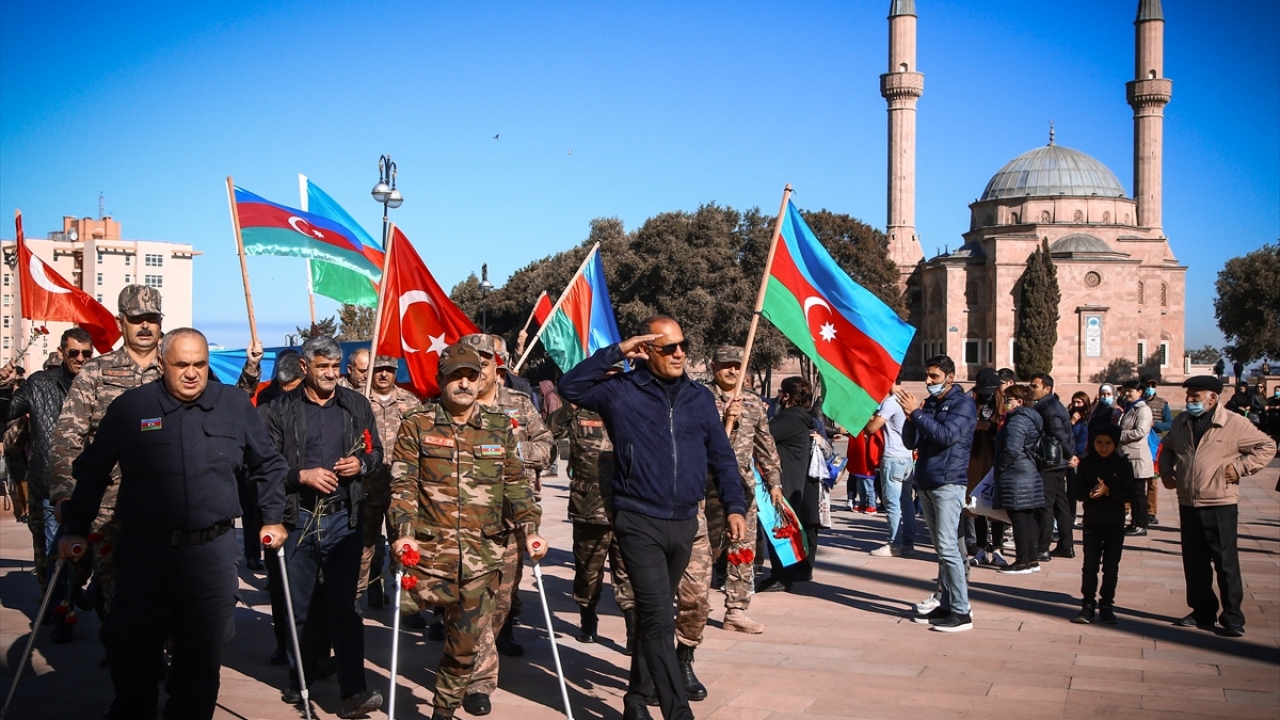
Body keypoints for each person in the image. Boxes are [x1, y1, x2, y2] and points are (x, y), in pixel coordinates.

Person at [57, 328, 289, 720]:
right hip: (146, 555)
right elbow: (93, 471)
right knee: (134, 660)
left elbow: (267, 463)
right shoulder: (131, 408)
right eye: (181, 364)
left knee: (200, 666)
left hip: (210, 557)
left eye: (199, 364)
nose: (191, 373)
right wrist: (75, 528)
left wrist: (272, 517)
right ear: (162, 364)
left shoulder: (233, 405)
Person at [557, 315, 747, 720]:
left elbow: (722, 458)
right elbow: (569, 386)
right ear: (646, 351)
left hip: (684, 522)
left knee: (652, 618)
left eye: (683, 345)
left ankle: (635, 698)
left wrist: (735, 506)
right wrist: (617, 351)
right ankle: (678, 711)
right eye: (668, 347)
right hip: (638, 520)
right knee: (660, 617)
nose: (679, 353)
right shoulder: (619, 392)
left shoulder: (699, 399)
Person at [388, 343, 547, 720]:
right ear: (441, 380)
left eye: (471, 376)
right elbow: (403, 486)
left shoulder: (499, 427)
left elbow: (516, 485)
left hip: (481, 558)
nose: (464, 383)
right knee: (406, 615)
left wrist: (531, 528)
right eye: (456, 376)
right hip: (427, 554)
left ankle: (443, 710)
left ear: (481, 380)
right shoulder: (418, 424)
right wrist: (403, 532)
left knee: (463, 645)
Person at [260, 335, 384, 716]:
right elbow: (265, 466)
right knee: (299, 607)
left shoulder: (355, 405)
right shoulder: (279, 410)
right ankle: (302, 680)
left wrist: (361, 465)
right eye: (322, 367)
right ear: (304, 367)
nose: (331, 374)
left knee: (346, 607)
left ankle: (354, 691)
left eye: (335, 367)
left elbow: (375, 451)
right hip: (297, 523)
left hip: (343, 522)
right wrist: (302, 475)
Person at [49, 285, 164, 625]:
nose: (145, 326)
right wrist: (64, 494)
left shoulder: (178, 370)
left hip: (168, 503)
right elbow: (68, 437)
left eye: (152, 319)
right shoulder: (96, 372)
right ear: (121, 322)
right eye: (136, 319)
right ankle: (127, 658)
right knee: (118, 592)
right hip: (109, 508)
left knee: (166, 590)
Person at [673, 346, 783, 698]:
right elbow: (697, 443)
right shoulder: (699, 399)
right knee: (704, 554)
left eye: (738, 366)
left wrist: (776, 482)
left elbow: (766, 444)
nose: (733, 371)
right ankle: (692, 602)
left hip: (742, 491)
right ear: (715, 367)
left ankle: (736, 607)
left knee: (743, 550)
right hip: (705, 490)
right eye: (726, 366)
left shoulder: (753, 403)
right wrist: (725, 419)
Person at [460, 333, 551, 707]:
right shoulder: (452, 404)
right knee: (470, 599)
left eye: (483, 362)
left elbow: (545, 448)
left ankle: (479, 657)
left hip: (513, 519)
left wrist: (512, 448)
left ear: (495, 365)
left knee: (500, 602)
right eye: (469, 362)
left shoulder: (519, 404)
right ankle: (478, 681)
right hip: (466, 520)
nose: (476, 370)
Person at [1159, 376, 1276, 637]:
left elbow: (1267, 446)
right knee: (1194, 562)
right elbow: (1166, 448)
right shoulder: (1181, 422)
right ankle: (1202, 612)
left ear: (1212, 398)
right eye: (1188, 395)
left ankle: (1232, 616)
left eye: (1195, 396)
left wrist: (1239, 468)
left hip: (1220, 502)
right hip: (1188, 502)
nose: (1189, 400)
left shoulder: (1233, 423)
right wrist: (1166, 470)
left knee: (1225, 562)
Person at [6, 328, 95, 642]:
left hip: (92, 485)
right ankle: (63, 613)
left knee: (93, 555)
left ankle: (80, 596)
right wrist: (4, 387)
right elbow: (7, 412)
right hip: (49, 484)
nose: (81, 360)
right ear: (62, 353)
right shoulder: (39, 384)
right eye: (74, 353)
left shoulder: (100, 382)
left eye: (87, 353)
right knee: (56, 554)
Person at [897, 354, 977, 632]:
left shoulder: (963, 405)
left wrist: (917, 414)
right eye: (927, 376)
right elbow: (911, 441)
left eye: (934, 377)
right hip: (928, 480)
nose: (929, 382)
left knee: (948, 547)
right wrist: (911, 416)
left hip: (948, 481)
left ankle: (962, 610)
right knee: (942, 548)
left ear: (950, 377)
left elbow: (946, 436)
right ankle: (947, 602)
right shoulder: (930, 404)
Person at [547, 399, 634, 645]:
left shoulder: (633, 407)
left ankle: (633, 628)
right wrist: (571, 406)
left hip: (626, 506)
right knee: (587, 571)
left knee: (628, 570)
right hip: (589, 506)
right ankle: (588, 617)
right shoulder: (579, 411)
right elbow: (548, 430)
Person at [360, 355, 421, 612]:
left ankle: (406, 604)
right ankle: (361, 596)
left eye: (389, 370)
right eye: (379, 370)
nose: (384, 375)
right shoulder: (359, 400)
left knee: (404, 547)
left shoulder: (410, 401)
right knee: (365, 547)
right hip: (368, 488)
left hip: (402, 489)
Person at [761, 376, 824, 592]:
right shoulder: (800, 417)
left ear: (786, 396)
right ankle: (786, 572)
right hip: (793, 480)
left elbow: (763, 436)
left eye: (781, 392)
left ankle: (781, 575)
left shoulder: (789, 418)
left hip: (784, 481)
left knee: (779, 529)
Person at [1071, 425, 1134, 625]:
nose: (1104, 447)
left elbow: (1130, 493)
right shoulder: (1087, 464)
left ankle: (1107, 604)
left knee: (1110, 566)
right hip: (1092, 523)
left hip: (1114, 523)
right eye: (1099, 442)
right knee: (1090, 565)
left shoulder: (1123, 465)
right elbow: (1076, 490)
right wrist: (1090, 492)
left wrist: (1109, 491)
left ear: (1115, 443)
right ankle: (1087, 604)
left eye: (1108, 443)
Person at [993, 384, 1045, 575]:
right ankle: (1031, 558)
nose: (1005, 403)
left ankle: (1022, 560)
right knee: (1027, 517)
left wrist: (999, 467)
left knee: (1020, 518)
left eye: (1009, 399)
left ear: (1019, 401)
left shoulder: (1017, 421)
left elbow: (1011, 450)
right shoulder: (1031, 418)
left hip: (1016, 475)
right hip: (1027, 472)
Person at [869, 376, 918, 558]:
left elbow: (873, 428)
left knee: (892, 503)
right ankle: (908, 543)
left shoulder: (891, 401)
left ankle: (894, 544)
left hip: (893, 457)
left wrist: (867, 418)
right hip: (907, 457)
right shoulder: (908, 398)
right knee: (907, 502)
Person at [963, 368, 1007, 567]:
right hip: (975, 458)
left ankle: (997, 549)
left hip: (995, 458)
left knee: (996, 505)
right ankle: (981, 548)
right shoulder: (970, 401)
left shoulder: (1003, 402)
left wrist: (990, 427)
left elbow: (1006, 427)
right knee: (978, 504)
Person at [1029, 373, 1076, 559]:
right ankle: (1066, 545)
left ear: (1047, 388)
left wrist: (1070, 455)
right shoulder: (1048, 405)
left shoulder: (1048, 408)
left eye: (1035, 386)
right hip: (1057, 462)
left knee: (1045, 505)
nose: (1031, 389)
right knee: (1060, 504)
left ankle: (1043, 547)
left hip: (1051, 463)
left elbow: (1059, 434)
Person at [1117, 380, 1154, 537]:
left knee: (1139, 493)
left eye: (1130, 391)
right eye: (1125, 391)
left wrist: (1119, 435)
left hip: (1137, 456)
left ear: (1139, 392)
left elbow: (1140, 432)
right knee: (1132, 492)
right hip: (1128, 457)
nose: (1126, 394)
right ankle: (1134, 522)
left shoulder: (1143, 410)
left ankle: (1141, 524)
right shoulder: (1129, 408)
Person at [1140, 375, 1172, 526]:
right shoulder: (1139, 403)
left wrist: (1155, 425)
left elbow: (1169, 424)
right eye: (1148, 385)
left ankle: (1151, 512)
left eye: (1152, 385)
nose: (1150, 388)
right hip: (1139, 443)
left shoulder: (1162, 404)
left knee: (1153, 481)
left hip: (1154, 445)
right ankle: (1129, 510)